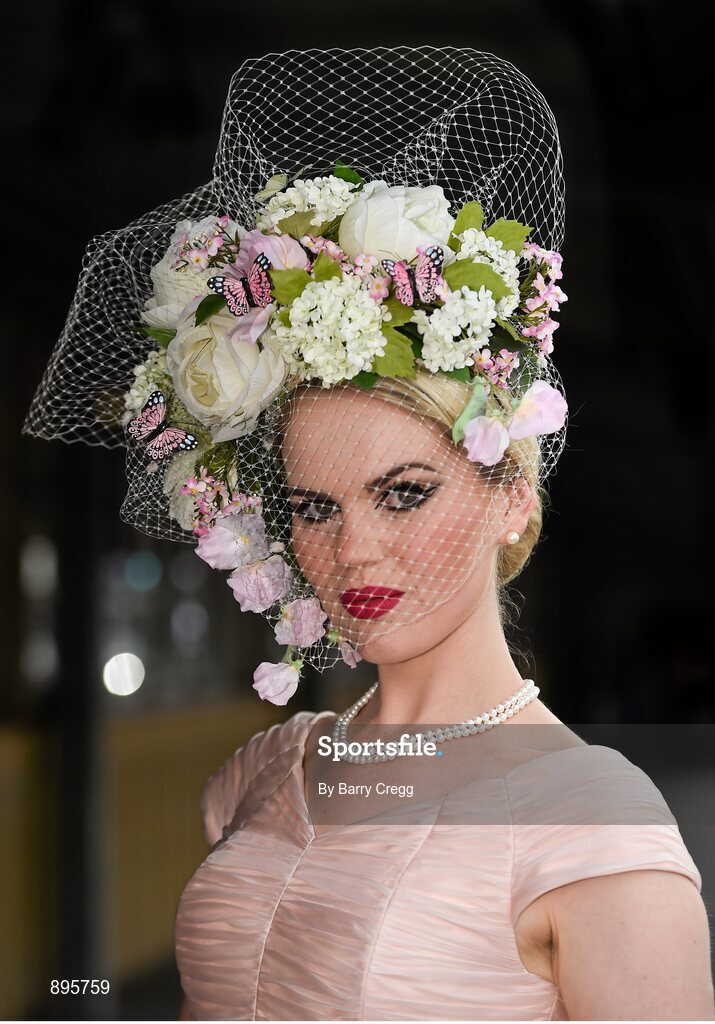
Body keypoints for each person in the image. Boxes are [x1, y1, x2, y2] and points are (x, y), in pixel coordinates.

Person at [23, 46, 713, 1021]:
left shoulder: (591, 833)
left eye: (403, 492)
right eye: (313, 506)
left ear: (512, 493)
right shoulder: (265, 773)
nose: (352, 550)